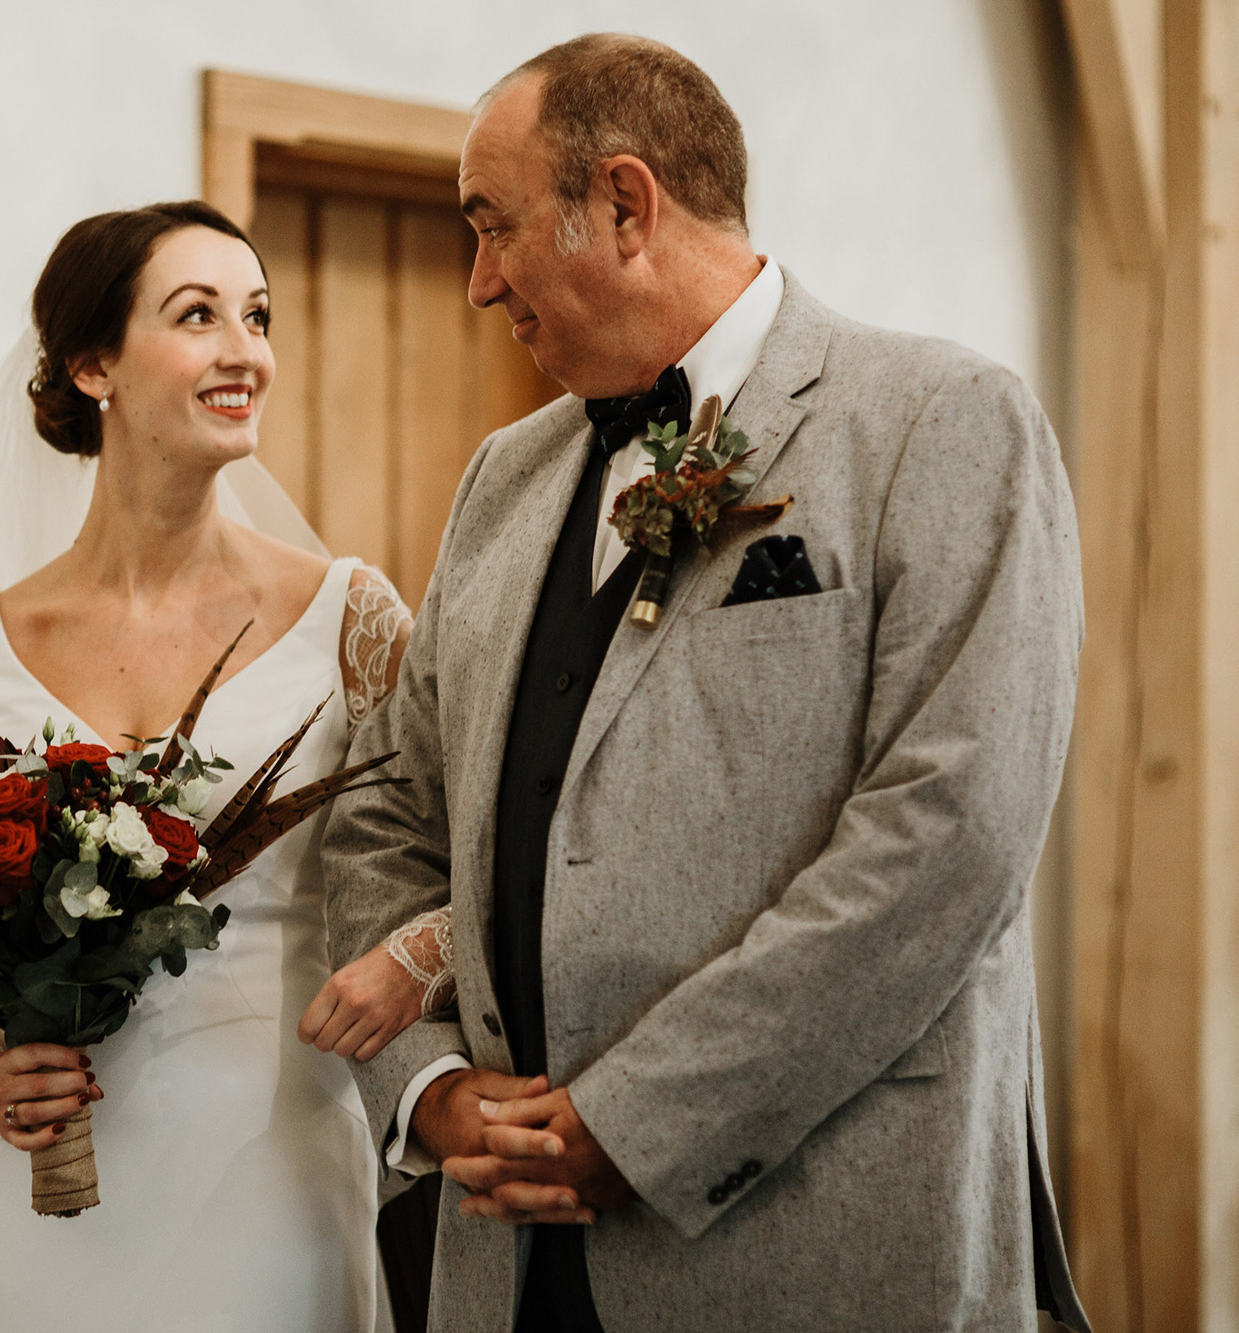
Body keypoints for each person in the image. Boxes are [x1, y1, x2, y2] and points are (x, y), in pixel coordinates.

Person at [322, 35, 1091, 1333]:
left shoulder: (940, 421)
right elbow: (387, 811)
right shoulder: (501, 480)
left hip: (810, 1242)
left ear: (626, 204)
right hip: (505, 1263)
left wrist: (636, 1122)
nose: (476, 281)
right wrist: (432, 1088)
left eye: (494, 228)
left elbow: (948, 837)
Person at [0, 201, 446, 1333]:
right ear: (94, 363)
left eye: (258, 315)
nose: (247, 351)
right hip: (35, 1189)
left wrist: (410, 961)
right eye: (198, 316)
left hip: (269, 1166)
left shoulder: (348, 617)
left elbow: (454, 862)